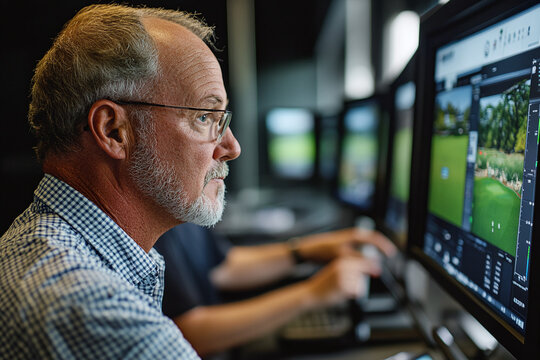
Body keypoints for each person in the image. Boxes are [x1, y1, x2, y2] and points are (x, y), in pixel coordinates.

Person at [0, 4, 242, 359]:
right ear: (113, 130)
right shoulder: (99, 312)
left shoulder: (36, 245)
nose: (231, 147)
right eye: (205, 116)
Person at [154, 223, 396, 357]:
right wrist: (312, 293)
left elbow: (223, 267)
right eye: (203, 128)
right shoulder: (149, 226)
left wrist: (306, 250)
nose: (232, 147)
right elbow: (188, 334)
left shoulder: (179, 209)